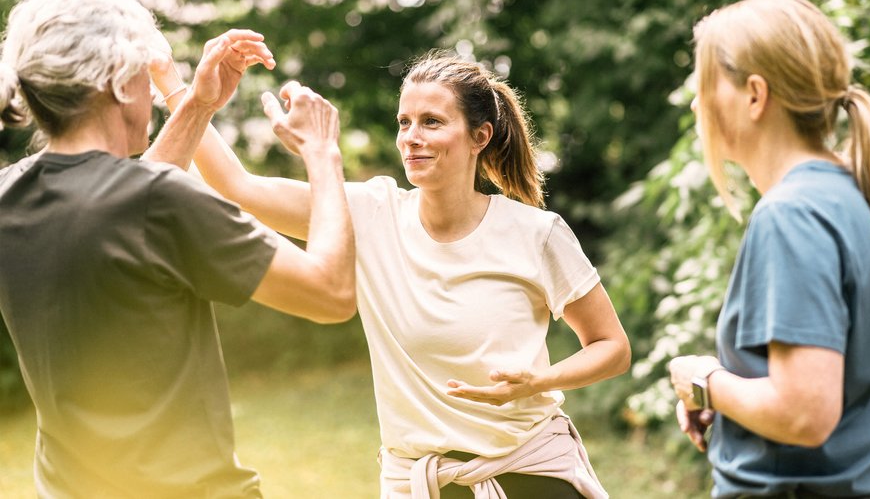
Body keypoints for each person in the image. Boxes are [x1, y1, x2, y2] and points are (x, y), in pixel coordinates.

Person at [148, 48, 631, 497]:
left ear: (479, 137)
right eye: (404, 122)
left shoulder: (536, 233)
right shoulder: (369, 213)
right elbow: (238, 188)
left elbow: (611, 347)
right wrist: (173, 81)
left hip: (529, 476)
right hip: (417, 483)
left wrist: (538, 382)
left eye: (432, 122)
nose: (411, 137)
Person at [0, 0, 355, 497]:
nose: (149, 86)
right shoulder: (153, 202)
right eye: (145, 73)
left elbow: (122, 204)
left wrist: (197, 102)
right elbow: (330, 292)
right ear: (120, 82)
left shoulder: (11, 194)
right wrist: (322, 155)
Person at [666, 0, 870, 498]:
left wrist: (702, 379)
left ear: (755, 96)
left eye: (704, 84)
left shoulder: (792, 215)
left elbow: (805, 413)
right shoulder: (859, 193)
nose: (697, 103)